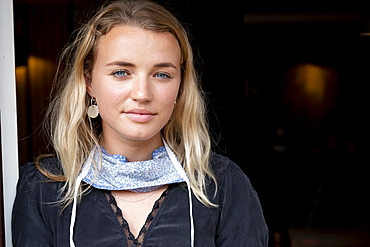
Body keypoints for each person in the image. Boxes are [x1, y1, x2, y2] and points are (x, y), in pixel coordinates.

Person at [11, 0, 268, 246]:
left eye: (162, 74)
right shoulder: (43, 186)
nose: (143, 94)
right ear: (89, 83)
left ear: (180, 87)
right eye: (121, 72)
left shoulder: (222, 184)